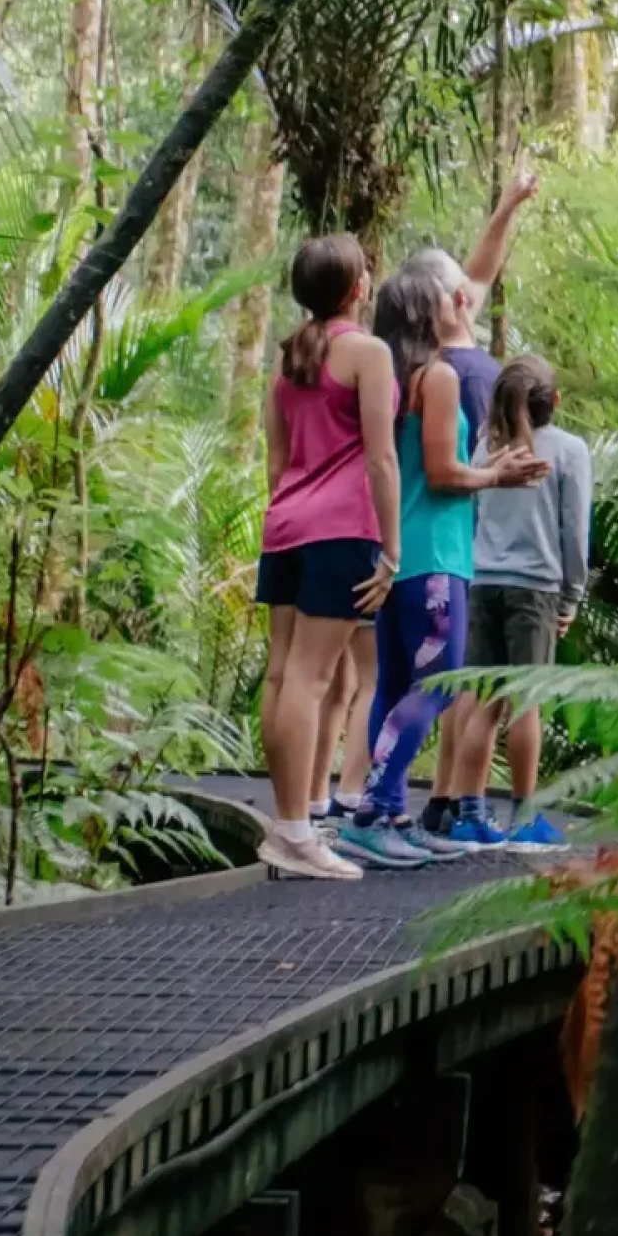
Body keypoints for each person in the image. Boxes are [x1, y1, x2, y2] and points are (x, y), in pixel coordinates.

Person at [334, 262, 546, 871]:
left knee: (398, 687)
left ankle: (390, 809)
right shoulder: (440, 380)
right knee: (438, 684)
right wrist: (497, 474)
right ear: (429, 314)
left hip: (396, 552)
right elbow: (444, 473)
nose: (462, 304)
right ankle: (374, 809)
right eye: (448, 301)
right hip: (436, 557)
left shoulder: (389, 380)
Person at [253, 234, 399, 882]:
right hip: (341, 529)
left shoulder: (288, 362)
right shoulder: (368, 352)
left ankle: (289, 822)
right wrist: (391, 550)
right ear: (357, 287)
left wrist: (287, 515)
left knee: (284, 674)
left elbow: (277, 463)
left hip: (284, 523)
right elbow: (380, 457)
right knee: (312, 677)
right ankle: (294, 831)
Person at [404, 171, 539, 822]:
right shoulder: (464, 378)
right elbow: (470, 463)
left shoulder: (419, 360)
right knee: (472, 682)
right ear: (453, 301)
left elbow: (479, 271)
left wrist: (509, 203)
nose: (475, 292)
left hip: (448, 544)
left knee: (455, 678)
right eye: (466, 292)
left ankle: (439, 798)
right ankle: (457, 803)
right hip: (469, 541)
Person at [467, 357, 592, 848]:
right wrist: (572, 596)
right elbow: (574, 529)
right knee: (526, 704)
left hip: (482, 581)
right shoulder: (569, 450)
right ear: (555, 401)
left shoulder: (485, 448)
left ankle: (468, 812)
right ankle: (525, 817)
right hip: (535, 588)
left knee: (483, 699)